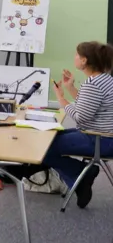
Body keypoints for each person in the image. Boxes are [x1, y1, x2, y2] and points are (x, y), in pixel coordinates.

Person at [45, 42, 113, 208]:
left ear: (84, 60)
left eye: (77, 55)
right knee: (50, 137)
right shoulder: (104, 79)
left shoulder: (93, 84)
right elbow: (88, 105)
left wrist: (61, 98)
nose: (74, 57)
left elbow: (80, 117)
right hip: (102, 137)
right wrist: (70, 88)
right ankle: (80, 179)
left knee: (44, 148)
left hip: (100, 140)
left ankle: (81, 175)